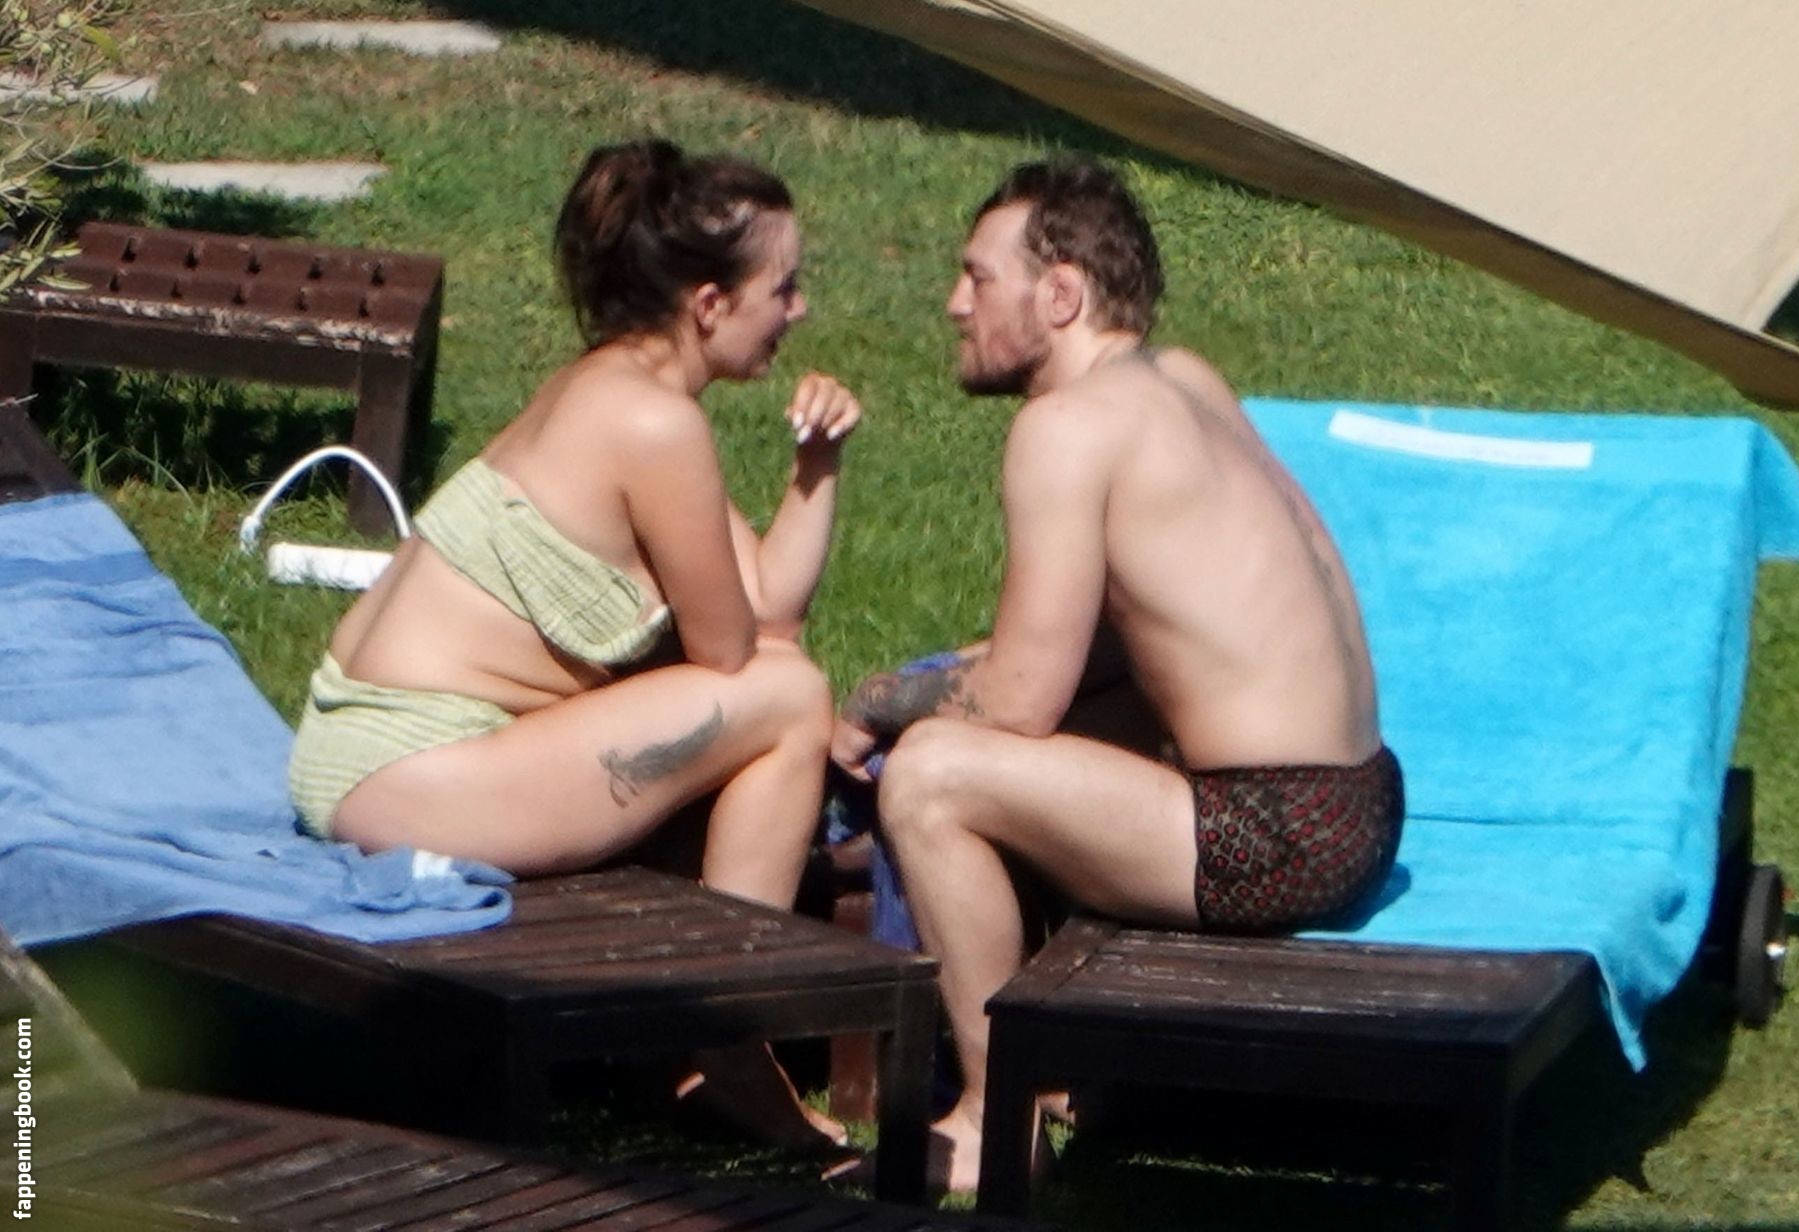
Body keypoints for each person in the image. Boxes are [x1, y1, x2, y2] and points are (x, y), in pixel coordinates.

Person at [830, 159, 1403, 1191]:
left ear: (1060, 294)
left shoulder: (1065, 428)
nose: (955, 302)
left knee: (931, 776)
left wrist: (880, 700)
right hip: (1360, 802)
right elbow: (1107, 640)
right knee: (1034, 725)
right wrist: (949, 677)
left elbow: (1019, 697)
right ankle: (1054, 1068)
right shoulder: (1183, 380)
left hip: (1271, 834)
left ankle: (996, 1119)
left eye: (978, 276)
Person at [287, 137, 860, 1150]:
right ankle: (725, 1033)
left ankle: (699, 1038)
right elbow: (736, 656)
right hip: (413, 767)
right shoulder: (652, 424)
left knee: (785, 690)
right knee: (793, 697)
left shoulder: (614, 389)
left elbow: (767, 611)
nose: (800, 308)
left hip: (368, 748)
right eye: (785, 286)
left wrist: (816, 465)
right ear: (710, 303)